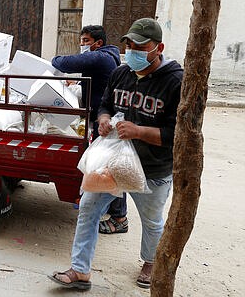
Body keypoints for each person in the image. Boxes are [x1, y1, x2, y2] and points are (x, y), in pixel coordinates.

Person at [48, 17, 183, 290]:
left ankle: (150, 262)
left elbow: (178, 135)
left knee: (152, 222)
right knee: (87, 208)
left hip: (152, 169)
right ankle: (80, 271)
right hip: (112, 164)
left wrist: (139, 131)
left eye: (140, 46)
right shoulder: (121, 74)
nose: (132, 50)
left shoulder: (175, 82)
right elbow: (105, 105)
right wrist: (103, 118)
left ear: (159, 48)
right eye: (130, 44)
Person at [51, 25, 128, 232]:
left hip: (105, 121)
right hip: (102, 118)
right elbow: (94, 77)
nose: (82, 45)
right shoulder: (107, 56)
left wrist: (53, 61)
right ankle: (104, 204)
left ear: (98, 43)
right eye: (82, 40)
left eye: (86, 41)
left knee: (110, 168)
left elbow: (65, 63)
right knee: (106, 165)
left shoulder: (101, 57)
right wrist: (76, 81)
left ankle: (120, 218)